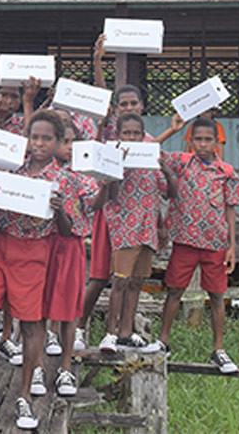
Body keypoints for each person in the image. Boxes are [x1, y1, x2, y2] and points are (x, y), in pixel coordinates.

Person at [0, 110, 79, 431]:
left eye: (47, 139)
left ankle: (24, 393)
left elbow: (68, 229)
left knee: (31, 323)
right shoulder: (8, 167)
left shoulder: (63, 180)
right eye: (35, 137)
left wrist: (59, 211)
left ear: (59, 142)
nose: (40, 144)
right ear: (27, 139)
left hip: (34, 250)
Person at [155, 117, 239, 373]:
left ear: (216, 142)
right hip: (184, 240)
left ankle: (218, 350)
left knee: (216, 295)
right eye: (198, 139)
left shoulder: (226, 172)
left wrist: (231, 246)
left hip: (215, 243)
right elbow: (148, 149)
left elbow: (230, 210)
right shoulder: (181, 163)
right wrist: (173, 129)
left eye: (208, 140)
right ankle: (163, 342)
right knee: (174, 290)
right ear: (191, 141)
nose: (203, 145)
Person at [92, 113, 175, 353]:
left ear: (143, 135)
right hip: (124, 228)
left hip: (147, 229)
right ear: (118, 135)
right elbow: (113, 193)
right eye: (126, 133)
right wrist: (117, 162)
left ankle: (126, 332)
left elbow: (167, 193)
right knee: (120, 280)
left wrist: (167, 171)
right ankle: (110, 334)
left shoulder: (151, 159)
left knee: (137, 282)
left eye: (136, 133)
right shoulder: (112, 159)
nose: (132, 137)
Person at [40, 119, 95, 398]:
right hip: (39, 244)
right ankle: (37, 365)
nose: (69, 148)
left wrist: (109, 184)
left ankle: (65, 367)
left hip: (71, 244)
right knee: (37, 307)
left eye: (74, 142)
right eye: (64, 142)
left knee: (70, 308)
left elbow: (95, 203)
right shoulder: (36, 172)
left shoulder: (84, 176)